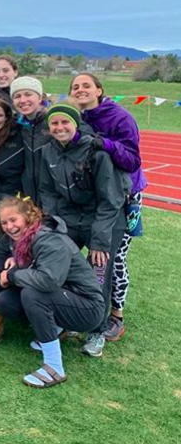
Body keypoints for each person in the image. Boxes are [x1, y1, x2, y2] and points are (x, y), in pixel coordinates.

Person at [0, 196, 105, 388]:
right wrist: (17, 263)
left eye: (13, 220)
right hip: (65, 296)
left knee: (33, 294)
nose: (9, 226)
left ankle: (54, 367)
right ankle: (55, 329)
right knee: (5, 301)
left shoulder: (49, 238)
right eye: (4, 222)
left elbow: (49, 280)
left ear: (28, 217)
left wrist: (13, 275)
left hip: (88, 308)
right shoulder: (24, 238)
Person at [39, 102, 126, 358]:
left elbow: (110, 200)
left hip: (103, 220)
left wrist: (99, 241)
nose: (60, 127)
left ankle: (97, 329)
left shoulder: (96, 152)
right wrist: (55, 222)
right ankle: (67, 320)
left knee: (99, 273)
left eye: (65, 122)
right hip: (69, 217)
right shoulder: (47, 152)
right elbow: (47, 190)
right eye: (54, 123)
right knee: (60, 266)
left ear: (76, 124)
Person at [69, 72, 146, 341]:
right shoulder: (77, 117)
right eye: (75, 87)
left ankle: (116, 315)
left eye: (86, 85)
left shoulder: (120, 117)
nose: (80, 90)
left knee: (114, 259)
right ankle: (81, 309)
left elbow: (133, 160)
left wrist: (106, 144)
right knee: (87, 258)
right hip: (95, 196)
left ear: (99, 89)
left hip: (126, 196)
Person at [10, 76, 50, 204]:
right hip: (27, 195)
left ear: (39, 98)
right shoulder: (15, 125)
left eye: (28, 94)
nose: (23, 100)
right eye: (17, 96)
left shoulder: (53, 122)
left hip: (52, 194)